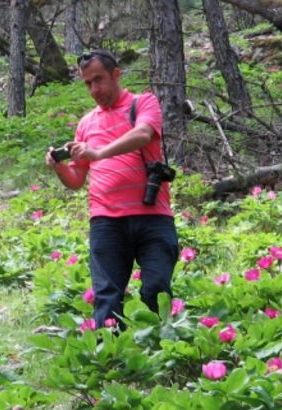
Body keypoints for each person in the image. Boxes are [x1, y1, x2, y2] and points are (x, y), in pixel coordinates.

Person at [46, 49, 179, 328]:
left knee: (155, 288)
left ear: (116, 74)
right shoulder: (86, 123)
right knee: (107, 297)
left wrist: (98, 153)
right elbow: (76, 180)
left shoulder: (143, 103)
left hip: (152, 215)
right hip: (106, 221)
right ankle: (112, 362)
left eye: (99, 79)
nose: (95, 89)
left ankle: (160, 347)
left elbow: (143, 134)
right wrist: (59, 167)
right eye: (88, 83)